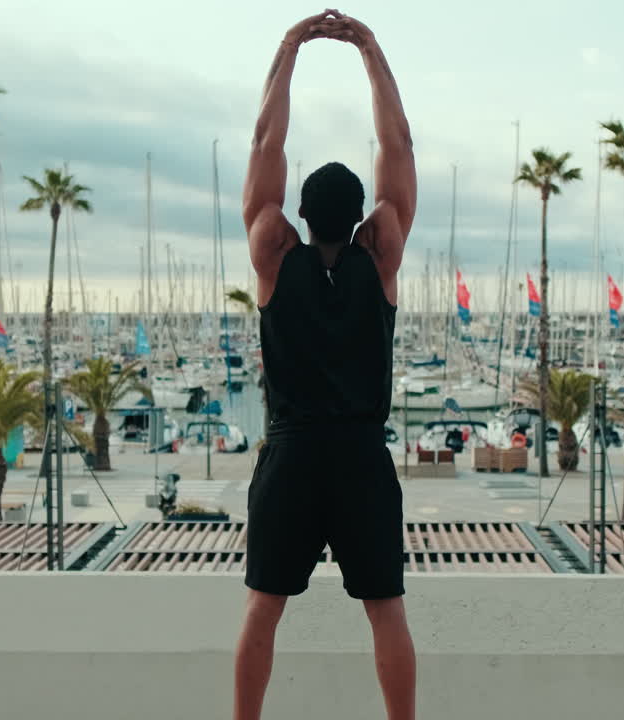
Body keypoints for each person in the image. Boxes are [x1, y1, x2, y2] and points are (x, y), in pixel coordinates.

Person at [235, 10, 416, 720]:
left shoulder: (274, 255)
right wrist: (369, 50)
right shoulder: (384, 254)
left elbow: (263, 142)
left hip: (294, 453)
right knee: (387, 612)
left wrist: (290, 49)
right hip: (361, 457)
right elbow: (396, 141)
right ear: (362, 216)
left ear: (300, 214)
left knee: (263, 609)